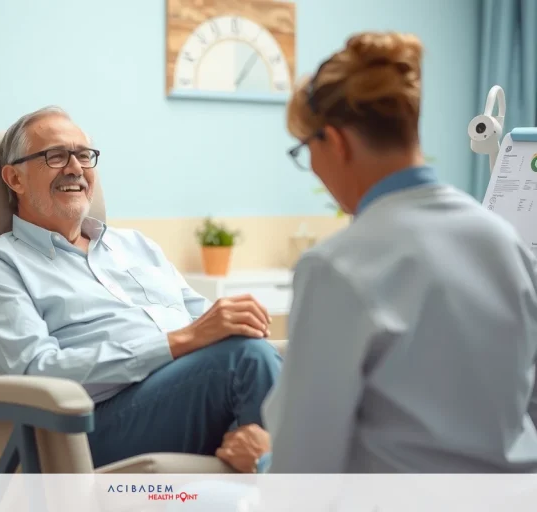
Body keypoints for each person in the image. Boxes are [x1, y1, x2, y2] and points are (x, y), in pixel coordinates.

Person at [218, 31, 537, 473]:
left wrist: (263, 460)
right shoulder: (506, 242)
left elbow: (304, 473)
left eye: (305, 149)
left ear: (336, 141)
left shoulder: (338, 266)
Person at [0, 106, 282, 469]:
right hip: (94, 426)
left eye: (84, 155)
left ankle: (272, 466)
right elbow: (38, 373)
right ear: (14, 179)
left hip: (188, 393)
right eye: (55, 156)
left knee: (275, 357)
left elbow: (206, 322)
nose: (75, 168)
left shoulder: (136, 244)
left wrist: (233, 323)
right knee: (246, 359)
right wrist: (179, 342)